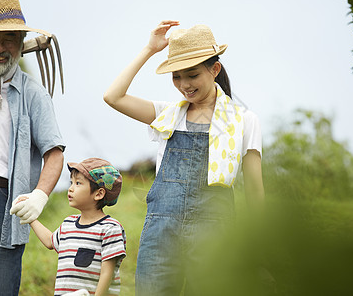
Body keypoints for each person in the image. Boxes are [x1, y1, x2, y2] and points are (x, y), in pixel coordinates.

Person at [103, 20, 264, 295]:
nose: (184, 85)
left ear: (215, 69)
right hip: (161, 233)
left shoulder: (244, 121)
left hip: (216, 236)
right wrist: (149, 49)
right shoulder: (167, 115)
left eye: (191, 75)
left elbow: (255, 192)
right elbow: (113, 96)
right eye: (176, 76)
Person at [0, 0, 65, 295]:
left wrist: (40, 195)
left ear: (22, 44)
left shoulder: (33, 94)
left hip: (4, 203)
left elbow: (54, 153)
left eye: (9, 38)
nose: (0, 47)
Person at [14, 158, 126, 296]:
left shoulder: (110, 228)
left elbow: (107, 272)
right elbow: (50, 241)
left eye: (78, 183)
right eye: (71, 182)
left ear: (99, 194)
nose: (71, 188)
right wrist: (30, 216)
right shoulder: (68, 223)